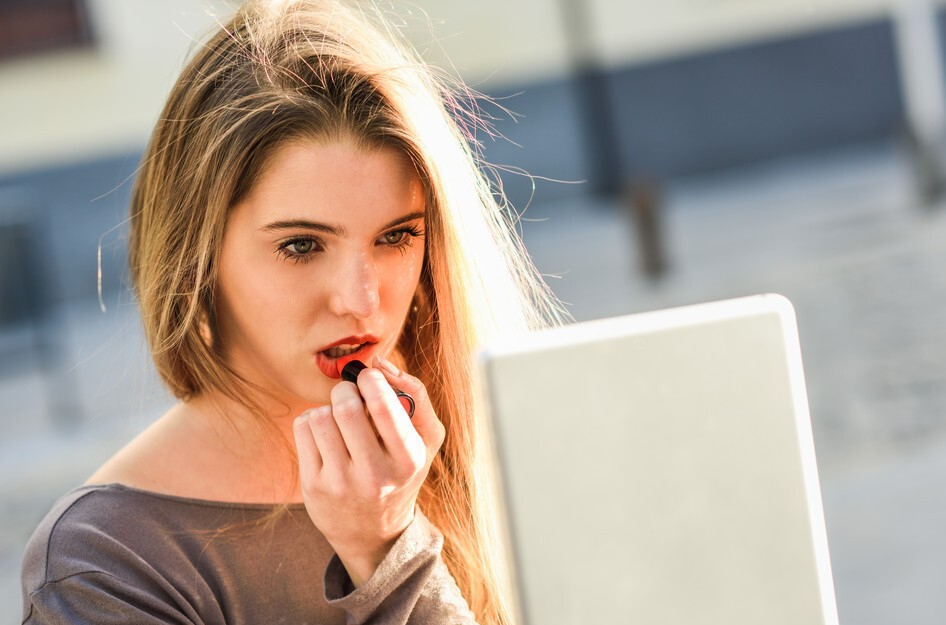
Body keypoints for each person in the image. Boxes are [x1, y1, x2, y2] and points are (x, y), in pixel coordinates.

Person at [20, 1, 563, 623]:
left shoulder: (484, 445)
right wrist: (389, 555)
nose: (361, 301)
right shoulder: (104, 565)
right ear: (196, 258)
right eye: (301, 246)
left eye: (395, 237)